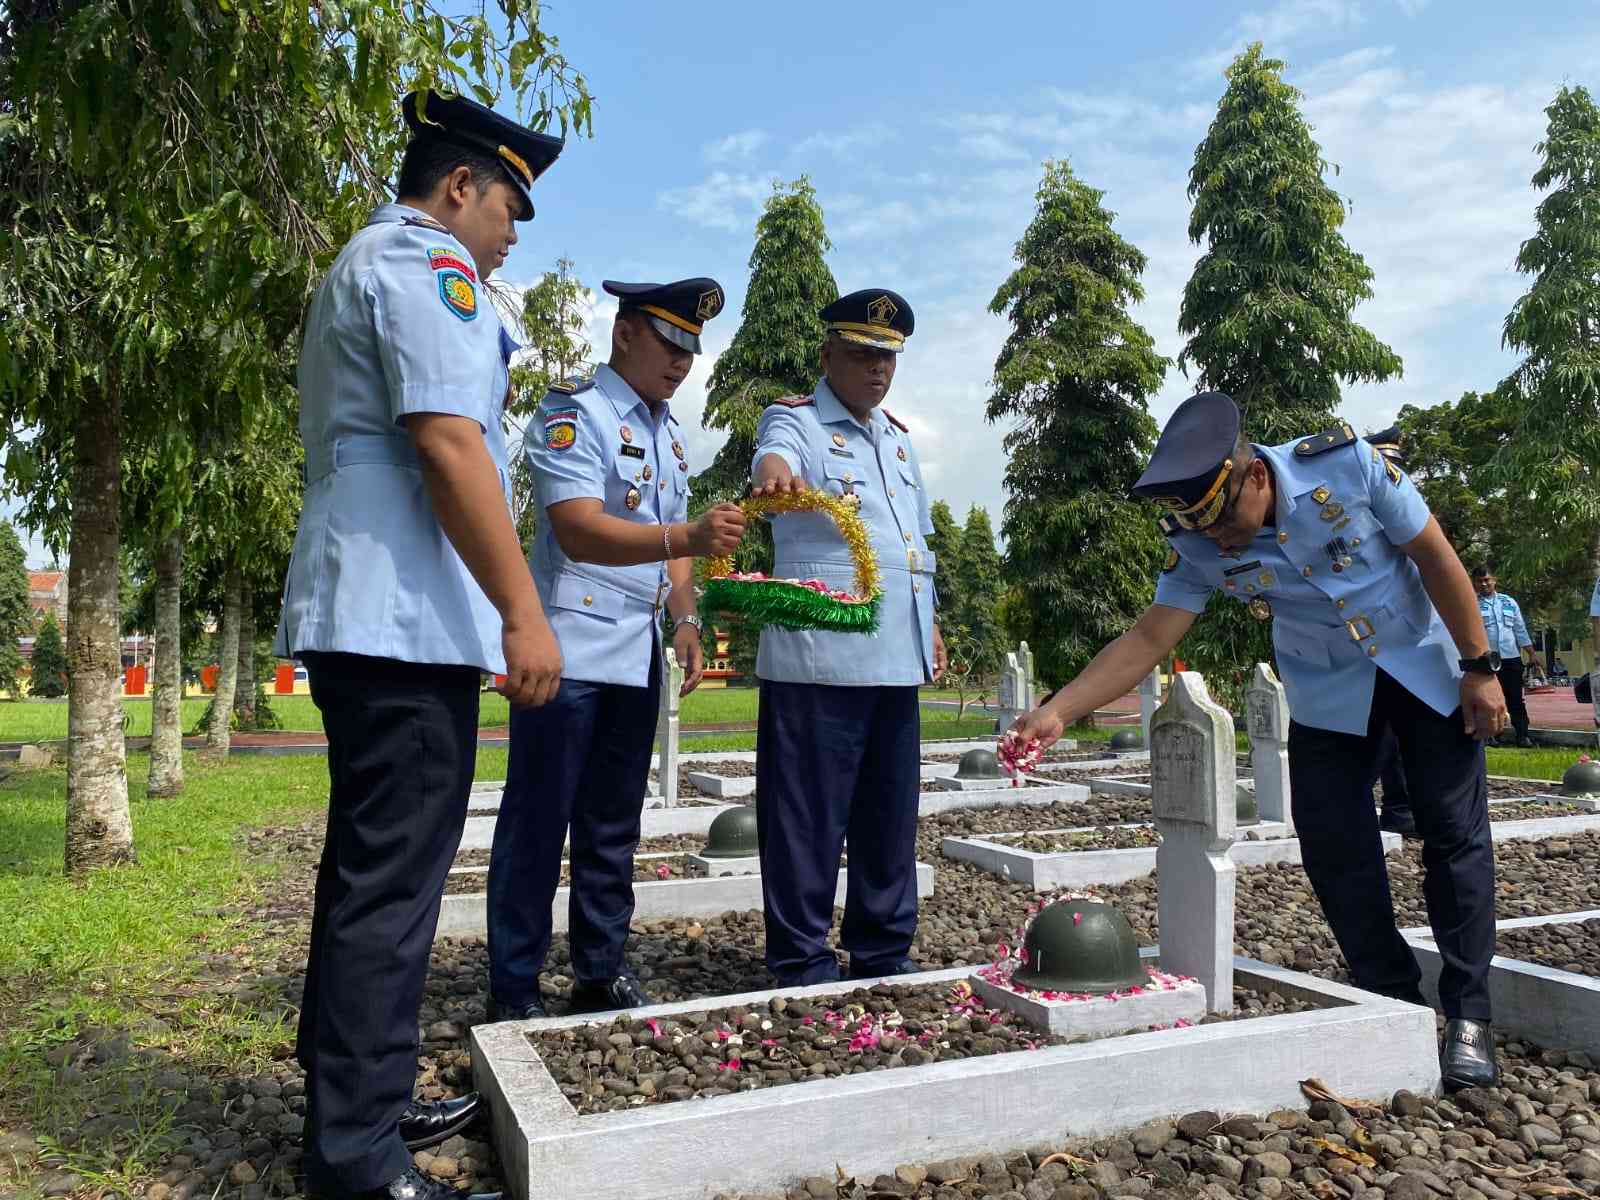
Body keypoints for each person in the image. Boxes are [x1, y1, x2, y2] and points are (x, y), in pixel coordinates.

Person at [1009, 391, 1507, 1091]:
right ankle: (1391, 996)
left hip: (1423, 669)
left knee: (1454, 838)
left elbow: (1433, 555)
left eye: (1223, 520)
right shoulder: (1197, 539)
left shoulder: (1348, 467)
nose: (1217, 541)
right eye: (1201, 528)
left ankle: (1469, 1016)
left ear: (1257, 478)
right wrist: (1059, 709)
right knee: (1335, 848)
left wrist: (1479, 667)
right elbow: (1152, 634)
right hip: (1329, 695)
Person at [273, 91, 565, 1200]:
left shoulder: (380, 262)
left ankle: (363, 1093)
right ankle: (354, 1155)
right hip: (396, 620)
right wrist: (522, 611)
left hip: (386, 613)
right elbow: (449, 443)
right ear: (457, 188)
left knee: (376, 871)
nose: (504, 238)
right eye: (506, 212)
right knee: (390, 885)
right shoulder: (424, 264)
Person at [486, 279, 745, 1018]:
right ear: (625, 332)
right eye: (670, 344)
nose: (681, 364)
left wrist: (687, 617)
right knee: (538, 823)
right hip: (565, 649)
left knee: (611, 822)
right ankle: (513, 984)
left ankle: (600, 965)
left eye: (691, 351)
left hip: (636, 649)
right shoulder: (576, 412)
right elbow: (576, 525)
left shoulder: (666, 432)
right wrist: (684, 540)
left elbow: (675, 545)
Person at [747, 288, 946, 985]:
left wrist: (933, 625)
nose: (877, 371)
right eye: (863, 355)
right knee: (805, 820)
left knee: (889, 818)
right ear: (828, 353)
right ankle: (800, 958)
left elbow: (914, 542)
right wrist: (773, 476)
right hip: (819, 661)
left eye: (887, 359)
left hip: (895, 656)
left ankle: (882, 949)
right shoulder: (795, 420)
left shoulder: (898, 438)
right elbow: (773, 460)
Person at [1472, 566, 1537, 747]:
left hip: (1511, 658)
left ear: (1494, 580)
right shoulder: (1471, 603)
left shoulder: (1508, 602)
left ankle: (1522, 735)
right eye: (1480, 581)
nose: (1484, 584)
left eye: (1487, 580)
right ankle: (1491, 736)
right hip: (1486, 659)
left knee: (1516, 698)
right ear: (1474, 583)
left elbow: (1520, 629)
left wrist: (1531, 654)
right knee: (1487, 699)